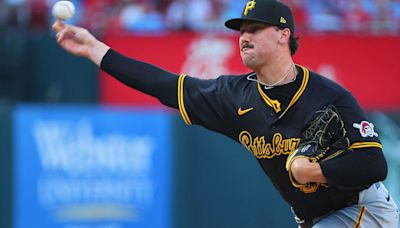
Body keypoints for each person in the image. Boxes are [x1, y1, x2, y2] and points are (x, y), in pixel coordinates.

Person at [52, 0, 399, 227]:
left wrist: (315, 170)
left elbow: (374, 165)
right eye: (240, 31)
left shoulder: (329, 95)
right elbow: (164, 85)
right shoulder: (233, 96)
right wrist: (96, 50)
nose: (242, 38)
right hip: (313, 218)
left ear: (283, 35)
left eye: (253, 29)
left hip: (360, 211)